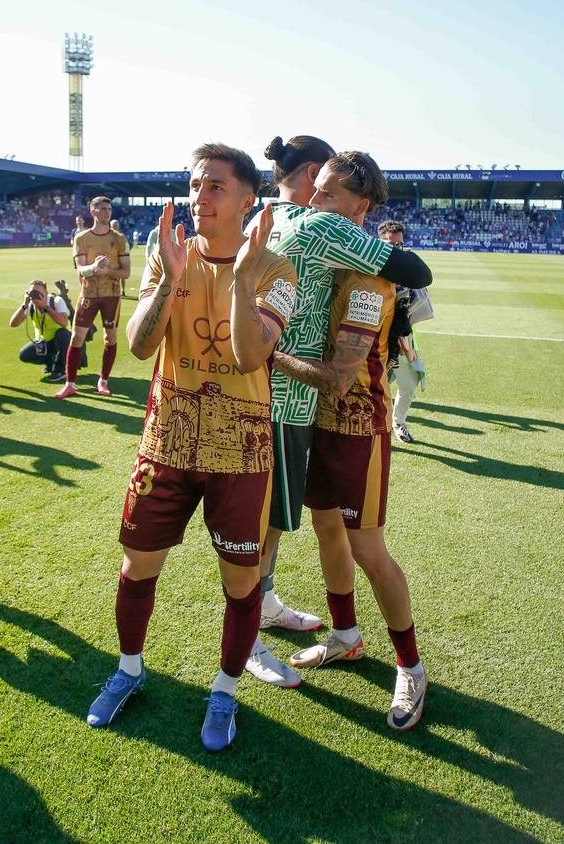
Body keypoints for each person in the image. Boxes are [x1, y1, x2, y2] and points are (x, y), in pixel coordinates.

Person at [85, 145, 297, 752]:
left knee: (240, 583)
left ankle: (225, 689)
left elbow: (249, 355)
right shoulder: (167, 255)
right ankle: (128, 671)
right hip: (167, 442)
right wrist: (171, 280)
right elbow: (138, 346)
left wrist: (241, 276)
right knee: (136, 565)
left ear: (248, 199)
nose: (200, 196)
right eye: (195, 184)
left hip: (240, 452)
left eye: (215, 187)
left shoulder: (277, 271)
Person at [244, 135, 432, 689]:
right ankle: (346, 635)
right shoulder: (323, 235)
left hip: (354, 420)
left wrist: (266, 354)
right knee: (327, 528)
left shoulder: (363, 268)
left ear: (359, 209)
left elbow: (343, 375)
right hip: (313, 417)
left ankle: (410, 667)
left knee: (367, 545)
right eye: (315, 191)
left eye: (327, 196)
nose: (314, 204)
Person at [55, 195, 129, 398]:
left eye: (109, 209)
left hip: (111, 296)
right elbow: (80, 269)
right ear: (93, 212)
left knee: (110, 337)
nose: (107, 212)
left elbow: (126, 273)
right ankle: (70, 383)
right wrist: (94, 267)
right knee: (77, 336)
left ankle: (103, 381)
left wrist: (106, 272)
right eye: (103, 209)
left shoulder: (119, 239)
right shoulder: (81, 238)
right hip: (87, 294)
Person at [378, 221, 428, 443]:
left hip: (403, 340)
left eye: (399, 244)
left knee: (409, 386)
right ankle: (376, 427)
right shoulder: (370, 269)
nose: (396, 249)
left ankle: (398, 423)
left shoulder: (408, 269)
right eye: (390, 244)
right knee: (377, 388)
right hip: (376, 341)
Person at [10, 279, 71, 382]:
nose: (36, 296)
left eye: (39, 293)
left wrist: (46, 307)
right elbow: (13, 324)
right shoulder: (31, 305)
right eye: (33, 293)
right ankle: (51, 362)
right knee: (24, 355)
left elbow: (64, 322)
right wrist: (24, 305)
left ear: (46, 294)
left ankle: (59, 371)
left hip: (64, 343)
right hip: (44, 342)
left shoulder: (56, 301)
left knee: (62, 334)